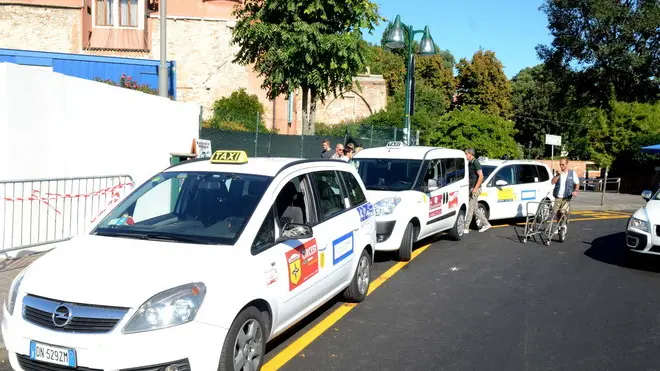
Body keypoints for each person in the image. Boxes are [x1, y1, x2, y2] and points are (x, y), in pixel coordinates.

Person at [464, 148, 491, 233]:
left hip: (475, 189)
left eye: (466, 153)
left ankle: (465, 227)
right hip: (472, 188)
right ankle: (486, 224)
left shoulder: (476, 163)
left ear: (470, 154)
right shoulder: (470, 163)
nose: (465, 155)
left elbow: (481, 176)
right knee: (475, 209)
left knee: (471, 208)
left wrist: (475, 189)